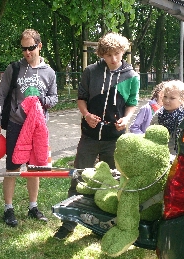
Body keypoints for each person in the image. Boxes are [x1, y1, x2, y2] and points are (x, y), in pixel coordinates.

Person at [53, 32, 140, 240]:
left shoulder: (131, 76)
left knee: (112, 182)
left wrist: (126, 119)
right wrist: (86, 114)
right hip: (90, 137)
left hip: (115, 139)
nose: (113, 59)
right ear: (102, 54)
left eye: (117, 54)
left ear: (123, 52)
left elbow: (132, 103)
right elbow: (81, 98)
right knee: (79, 177)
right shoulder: (90, 72)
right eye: (108, 54)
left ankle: (103, 225)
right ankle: (68, 223)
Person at [0, 29, 58, 227]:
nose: (27, 53)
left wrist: (41, 100)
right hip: (16, 125)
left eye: (31, 48)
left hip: (38, 128)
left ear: (39, 46)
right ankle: (8, 209)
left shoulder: (49, 72)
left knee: (34, 168)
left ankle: (33, 207)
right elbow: (1, 96)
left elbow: (54, 99)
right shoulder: (14, 68)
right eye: (23, 49)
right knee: (12, 168)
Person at [151, 80, 184, 155]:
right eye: (165, 96)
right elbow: (149, 132)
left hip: (178, 156)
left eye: (172, 98)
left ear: (182, 100)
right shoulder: (158, 115)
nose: (167, 100)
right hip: (157, 154)